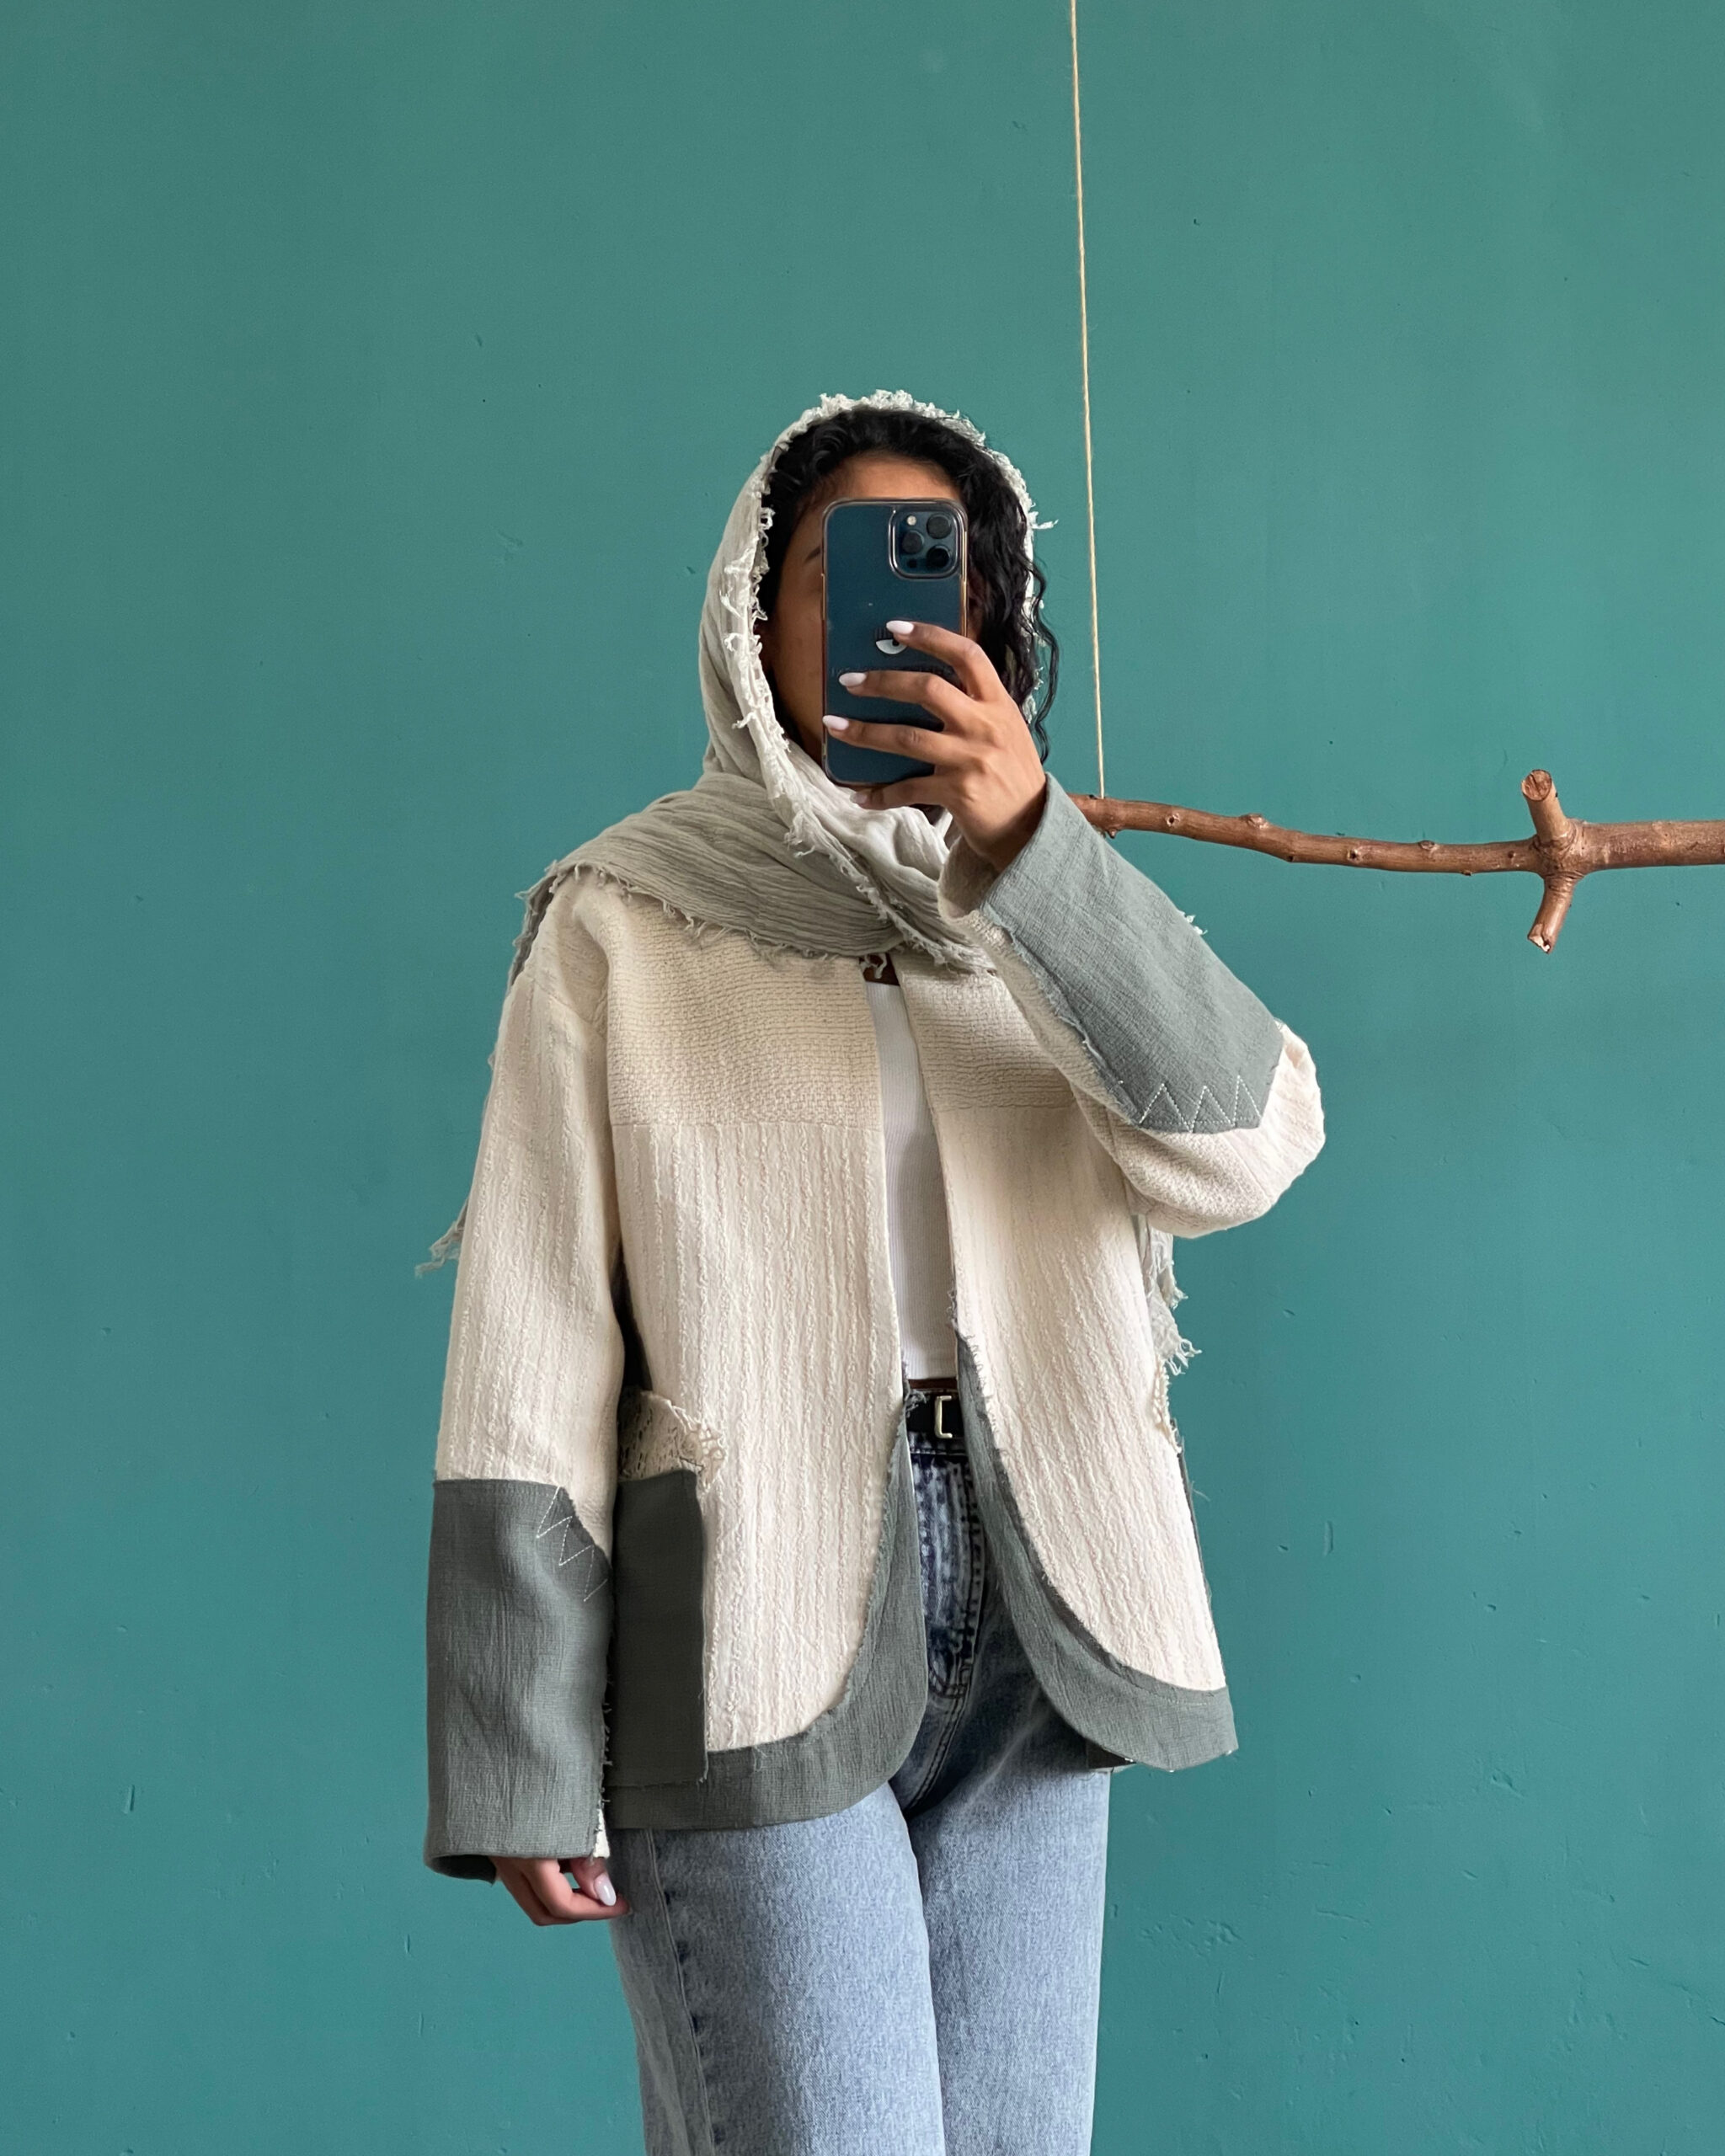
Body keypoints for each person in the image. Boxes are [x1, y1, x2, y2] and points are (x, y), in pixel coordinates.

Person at [421, 390, 1325, 2155]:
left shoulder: (1050, 909)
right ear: (752, 618)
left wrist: (1031, 854)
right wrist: (516, 1743)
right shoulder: (622, 921)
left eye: (946, 578)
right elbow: (530, 1337)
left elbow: (1246, 1148)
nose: (905, 619)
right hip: (748, 1616)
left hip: (1044, 1612)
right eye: (851, 576)